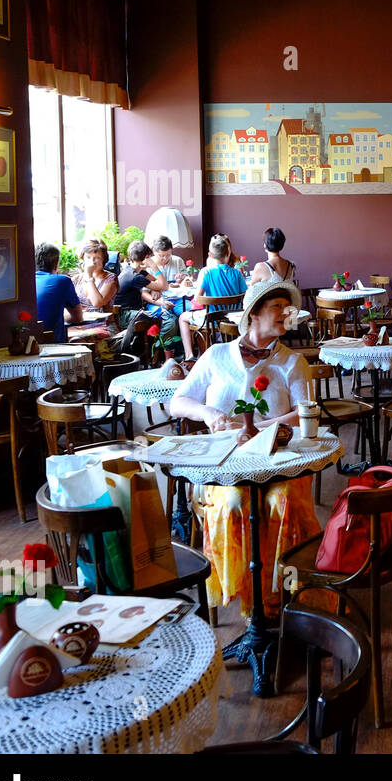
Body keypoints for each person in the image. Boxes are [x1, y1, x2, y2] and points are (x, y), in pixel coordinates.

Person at [171, 280, 318, 620]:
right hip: (224, 466)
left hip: (278, 461)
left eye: (288, 307)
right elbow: (178, 402)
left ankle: (281, 596)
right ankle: (246, 597)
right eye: (278, 306)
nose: (287, 313)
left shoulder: (292, 362)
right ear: (254, 314)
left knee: (281, 502)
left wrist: (258, 429)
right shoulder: (217, 355)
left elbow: (305, 411)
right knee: (236, 502)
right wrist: (208, 413)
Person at [178, 234, 247, 362]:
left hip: (211, 320)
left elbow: (197, 298)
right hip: (232, 320)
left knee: (183, 318)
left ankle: (189, 356)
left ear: (210, 255)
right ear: (228, 254)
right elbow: (245, 296)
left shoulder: (206, 272)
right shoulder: (237, 273)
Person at [115, 240, 179, 356]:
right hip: (126, 314)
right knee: (170, 320)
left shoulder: (137, 271)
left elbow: (157, 282)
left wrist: (155, 289)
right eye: (150, 257)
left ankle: (160, 352)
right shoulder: (135, 277)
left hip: (133, 311)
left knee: (169, 317)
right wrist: (154, 266)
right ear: (146, 257)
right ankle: (158, 353)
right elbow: (164, 285)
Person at [34, 243, 83, 343]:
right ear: (56, 264)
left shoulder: (24, 281)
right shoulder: (63, 281)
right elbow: (78, 318)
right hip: (53, 343)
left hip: (27, 341)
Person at [73, 239, 119, 311]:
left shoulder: (111, 278)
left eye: (97, 258)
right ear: (83, 258)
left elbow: (97, 303)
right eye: (88, 257)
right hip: (79, 320)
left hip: (102, 321)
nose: (92, 262)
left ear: (104, 259)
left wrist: (89, 276)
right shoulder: (76, 279)